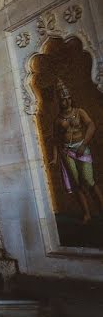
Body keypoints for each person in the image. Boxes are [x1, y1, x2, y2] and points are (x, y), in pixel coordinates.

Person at [50, 78, 103, 224]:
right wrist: (54, 158)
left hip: (82, 148)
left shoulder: (79, 112)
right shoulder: (58, 120)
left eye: (67, 99)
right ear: (59, 102)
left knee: (89, 180)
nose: (65, 102)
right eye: (62, 100)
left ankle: (101, 208)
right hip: (67, 152)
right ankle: (86, 214)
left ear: (71, 99)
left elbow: (91, 125)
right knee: (77, 183)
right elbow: (55, 140)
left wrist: (83, 144)